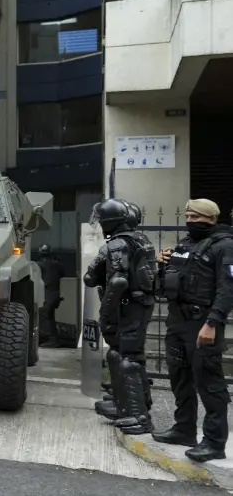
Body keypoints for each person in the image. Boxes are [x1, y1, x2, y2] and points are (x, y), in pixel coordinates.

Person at [153, 198, 233, 462]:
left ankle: (214, 442)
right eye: (187, 216)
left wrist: (212, 323)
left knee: (209, 384)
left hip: (203, 324)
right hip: (178, 321)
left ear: (211, 219)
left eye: (196, 217)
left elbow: (227, 289)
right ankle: (184, 429)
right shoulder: (185, 244)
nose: (190, 221)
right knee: (180, 378)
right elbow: (174, 277)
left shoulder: (225, 246)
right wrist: (162, 261)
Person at [89, 198, 157, 436]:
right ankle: (126, 405)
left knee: (128, 359)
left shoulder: (118, 244)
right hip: (138, 305)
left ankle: (139, 416)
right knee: (124, 356)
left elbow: (117, 280)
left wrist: (105, 312)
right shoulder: (141, 239)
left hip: (128, 307)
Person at [36, 244, 66, 347]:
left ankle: (50, 339)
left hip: (46, 294)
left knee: (44, 316)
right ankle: (52, 339)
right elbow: (63, 273)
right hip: (54, 294)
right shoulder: (57, 264)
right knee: (49, 316)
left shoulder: (39, 265)